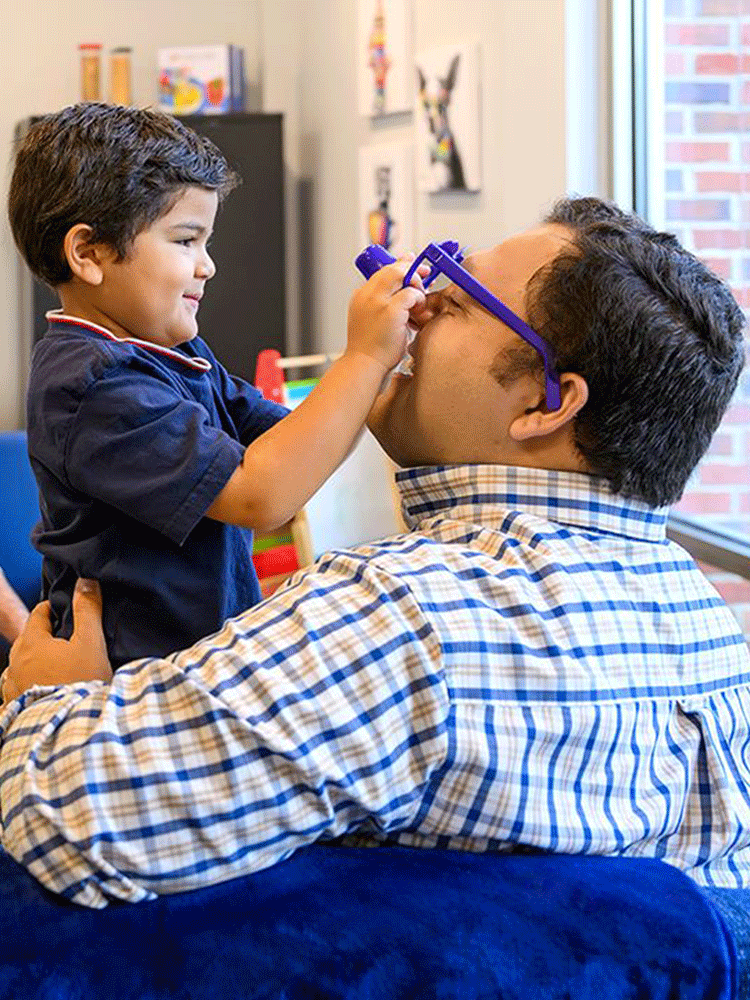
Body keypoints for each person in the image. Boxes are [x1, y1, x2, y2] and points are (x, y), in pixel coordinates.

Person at [1, 198, 748, 927]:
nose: (418, 303)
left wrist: (50, 699)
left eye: (457, 295)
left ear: (546, 404)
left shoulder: (398, 616)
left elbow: (64, 818)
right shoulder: (714, 634)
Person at [7, 103, 424, 668]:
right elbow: (263, 495)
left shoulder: (173, 351)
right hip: (129, 678)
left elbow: (289, 438)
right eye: (186, 241)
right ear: (89, 253)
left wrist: (391, 366)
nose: (207, 266)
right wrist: (365, 357)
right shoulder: (91, 384)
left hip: (198, 658)